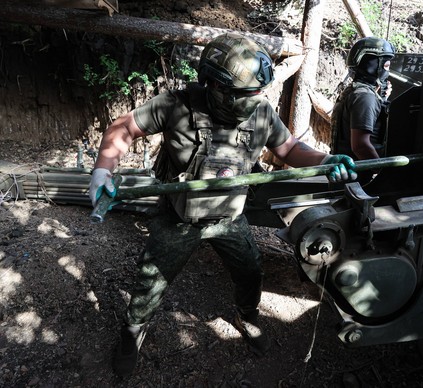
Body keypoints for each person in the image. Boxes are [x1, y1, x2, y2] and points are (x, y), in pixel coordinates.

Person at [88, 33, 357, 377]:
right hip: (178, 220)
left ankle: (247, 316)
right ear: (216, 86)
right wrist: (102, 171)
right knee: (149, 282)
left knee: (250, 271)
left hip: (229, 218)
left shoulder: (260, 111)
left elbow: (288, 149)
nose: (257, 98)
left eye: (259, 91)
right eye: (247, 93)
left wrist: (327, 159)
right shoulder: (176, 105)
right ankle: (132, 332)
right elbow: (123, 129)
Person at [331, 36, 395, 184]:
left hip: (348, 175)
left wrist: (380, 98)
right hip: (358, 181)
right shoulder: (365, 97)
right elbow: (360, 145)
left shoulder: (354, 91)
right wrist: (382, 172)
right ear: (372, 64)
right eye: (385, 65)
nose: (387, 70)